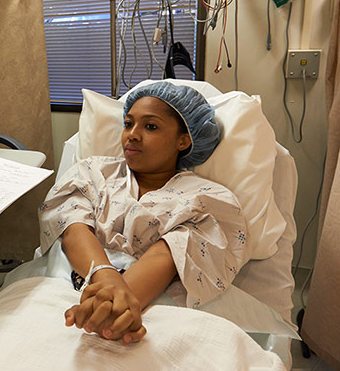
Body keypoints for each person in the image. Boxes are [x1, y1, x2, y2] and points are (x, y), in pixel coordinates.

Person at [37, 82, 248, 345]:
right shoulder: (92, 172)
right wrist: (107, 278)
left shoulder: (206, 198)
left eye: (150, 126)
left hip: (155, 305)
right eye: (128, 124)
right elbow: (72, 227)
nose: (132, 135)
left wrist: (112, 307)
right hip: (68, 287)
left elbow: (170, 253)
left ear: (184, 140)